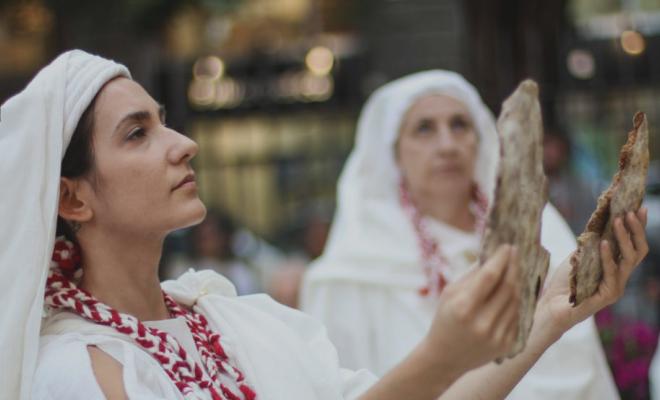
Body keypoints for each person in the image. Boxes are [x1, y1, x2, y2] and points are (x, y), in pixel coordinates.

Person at [0, 51, 646, 400]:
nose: (183, 143)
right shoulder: (73, 370)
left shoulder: (239, 320)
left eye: (164, 120)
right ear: (72, 198)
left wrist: (552, 315)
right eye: (137, 134)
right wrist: (440, 355)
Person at [301, 70, 639, 399]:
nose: (447, 144)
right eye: (424, 129)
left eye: (459, 125)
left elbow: (576, 355)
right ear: (394, 154)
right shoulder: (346, 275)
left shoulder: (537, 226)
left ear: (480, 139)